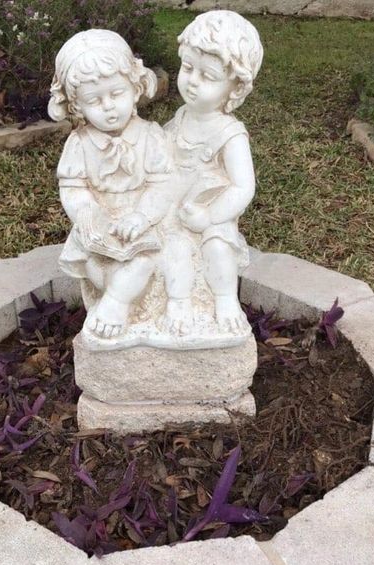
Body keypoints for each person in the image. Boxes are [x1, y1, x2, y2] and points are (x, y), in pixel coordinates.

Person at [48, 29, 173, 339]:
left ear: (135, 89)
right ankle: (115, 295)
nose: (108, 106)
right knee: (95, 262)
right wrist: (88, 215)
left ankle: (117, 303)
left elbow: (163, 185)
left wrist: (141, 217)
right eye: (94, 100)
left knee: (145, 262)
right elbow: (73, 188)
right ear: (77, 107)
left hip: (142, 221)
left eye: (116, 94)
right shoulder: (79, 143)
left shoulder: (151, 136)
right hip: (100, 225)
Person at [162, 10, 263, 335]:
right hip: (174, 211)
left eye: (208, 76)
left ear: (234, 89)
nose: (192, 81)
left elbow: (242, 187)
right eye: (188, 68)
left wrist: (209, 216)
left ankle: (224, 300)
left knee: (217, 249)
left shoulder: (229, 135)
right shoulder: (180, 117)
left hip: (211, 216)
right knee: (172, 248)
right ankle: (177, 301)